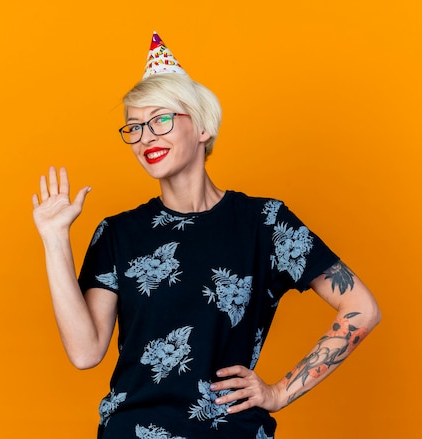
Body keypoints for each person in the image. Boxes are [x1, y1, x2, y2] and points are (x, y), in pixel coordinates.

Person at [32, 32, 381, 439]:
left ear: (201, 126)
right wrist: (55, 239)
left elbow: (361, 309)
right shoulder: (117, 233)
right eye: (134, 128)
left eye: (160, 119)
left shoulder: (264, 223)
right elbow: (85, 351)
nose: (146, 138)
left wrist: (280, 392)